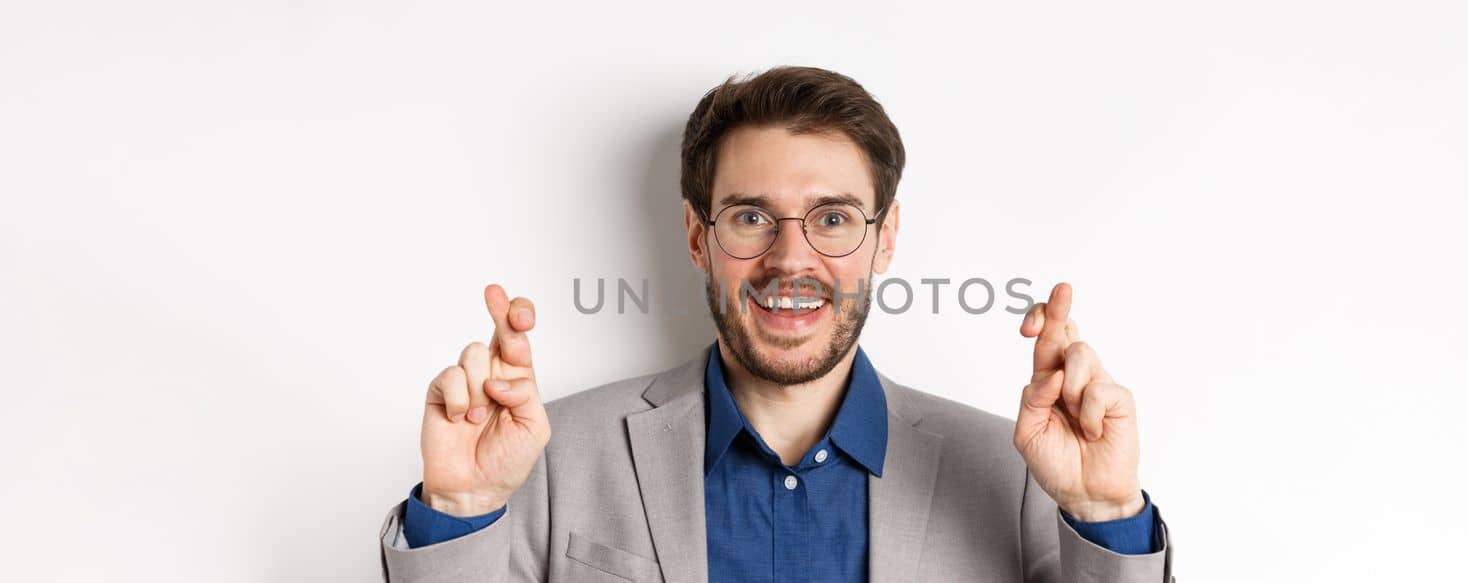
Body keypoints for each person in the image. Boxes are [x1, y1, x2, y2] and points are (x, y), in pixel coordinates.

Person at [378, 66, 1173, 582]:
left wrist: (1104, 514)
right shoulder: (552, 459)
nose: (791, 259)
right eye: (752, 215)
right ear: (698, 235)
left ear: (884, 239)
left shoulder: (1019, 480)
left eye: (832, 218)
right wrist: (462, 507)